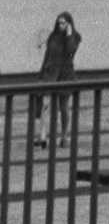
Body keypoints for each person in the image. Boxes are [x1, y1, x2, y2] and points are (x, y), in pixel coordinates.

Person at [32, 11, 80, 148]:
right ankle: (42, 136)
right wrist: (41, 76)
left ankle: (64, 136)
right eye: (59, 23)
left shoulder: (75, 37)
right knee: (44, 104)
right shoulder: (53, 37)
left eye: (63, 23)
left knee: (64, 106)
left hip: (65, 74)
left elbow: (71, 50)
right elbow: (46, 57)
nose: (60, 25)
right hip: (50, 72)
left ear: (69, 24)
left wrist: (69, 34)